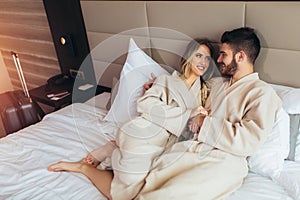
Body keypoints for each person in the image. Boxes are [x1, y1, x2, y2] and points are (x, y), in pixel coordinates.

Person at [48, 38, 217, 200]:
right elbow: (144, 104)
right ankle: (86, 167)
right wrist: (187, 115)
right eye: (198, 55)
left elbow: (201, 122)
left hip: (167, 142)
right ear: (188, 57)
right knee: (129, 187)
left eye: (208, 58)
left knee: (142, 189)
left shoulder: (205, 92)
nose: (203, 61)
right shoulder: (166, 80)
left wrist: (197, 115)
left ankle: (108, 154)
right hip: (144, 129)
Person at [134, 27, 283, 199]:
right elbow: (187, 89)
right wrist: (159, 86)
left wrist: (204, 123)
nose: (218, 60)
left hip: (225, 161)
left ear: (240, 56)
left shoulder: (262, 93)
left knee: (173, 194)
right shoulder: (216, 85)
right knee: (149, 184)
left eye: (223, 54)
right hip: (191, 148)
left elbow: (249, 141)